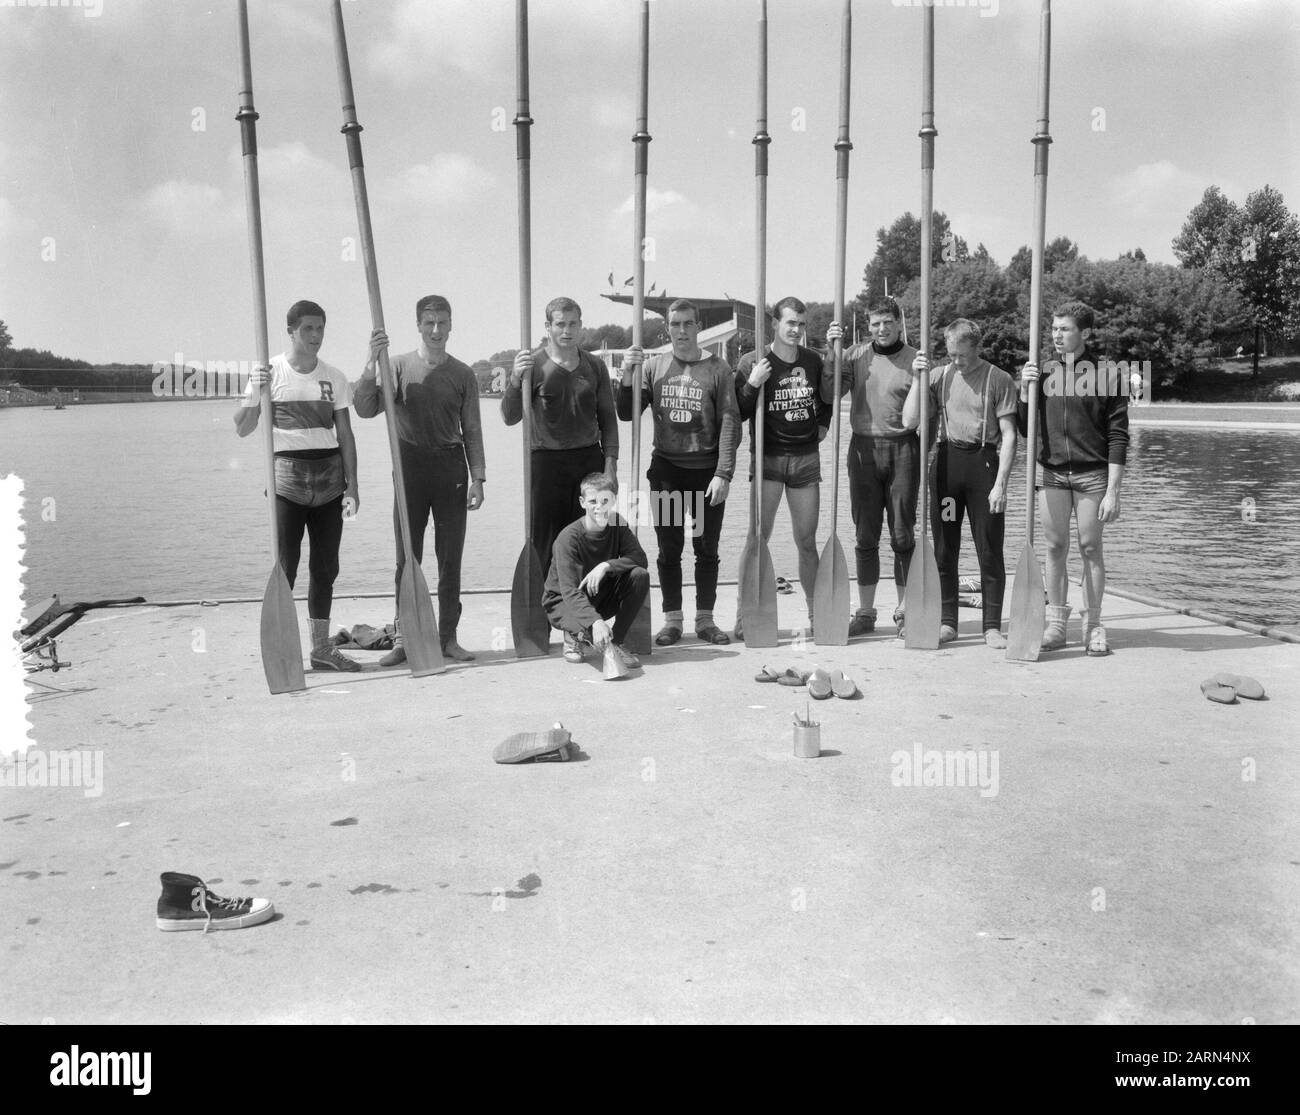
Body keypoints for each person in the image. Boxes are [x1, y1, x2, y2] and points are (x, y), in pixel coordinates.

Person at [354, 295, 485, 664]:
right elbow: (364, 409)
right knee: (406, 559)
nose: (436, 330)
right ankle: (404, 639)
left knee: (450, 560)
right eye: (429, 323)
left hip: (451, 469)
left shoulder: (463, 374)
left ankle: (448, 638)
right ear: (418, 325)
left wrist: (478, 478)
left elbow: (472, 429)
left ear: (451, 324)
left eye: (442, 322)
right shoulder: (394, 366)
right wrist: (369, 365)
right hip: (409, 467)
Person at [235, 299, 360, 671]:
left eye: (320, 328)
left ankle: (321, 650)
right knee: (286, 567)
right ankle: (279, 647)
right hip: (286, 482)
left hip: (329, 483)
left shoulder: (334, 377)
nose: (315, 336)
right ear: (290, 331)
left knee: (326, 569)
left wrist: (353, 486)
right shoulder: (267, 372)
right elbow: (242, 428)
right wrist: (256, 395)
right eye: (307, 328)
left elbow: (346, 434)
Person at [617, 299, 740, 646]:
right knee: (669, 549)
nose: (682, 331)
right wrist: (628, 375)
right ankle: (672, 620)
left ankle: (705, 620)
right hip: (668, 472)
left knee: (706, 549)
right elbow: (627, 413)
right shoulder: (654, 366)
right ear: (667, 328)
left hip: (706, 475)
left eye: (688, 324)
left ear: (698, 326)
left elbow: (730, 422)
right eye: (675, 324)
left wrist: (724, 473)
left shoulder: (718, 369)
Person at [1018, 300, 1129, 655]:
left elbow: (1118, 435)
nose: (1056, 335)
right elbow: (1026, 428)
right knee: (1054, 547)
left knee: (1090, 547)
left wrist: (1114, 491)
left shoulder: (1108, 373)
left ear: (1085, 332)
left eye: (1065, 329)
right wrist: (1024, 391)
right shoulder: (1044, 372)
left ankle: (1094, 626)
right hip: (1051, 473)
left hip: (1092, 476)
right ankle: (1056, 624)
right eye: (1053, 328)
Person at [903, 319, 1018, 647]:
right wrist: (917, 377)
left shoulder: (999, 379)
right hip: (948, 468)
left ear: (976, 348)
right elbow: (911, 420)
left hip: (983, 467)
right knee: (945, 548)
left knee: (989, 548)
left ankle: (991, 626)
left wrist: (1001, 485)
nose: (956, 361)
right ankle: (947, 620)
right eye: (951, 354)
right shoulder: (938, 377)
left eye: (962, 356)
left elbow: (1010, 436)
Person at [503, 297, 619, 583]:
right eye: (560, 324)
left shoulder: (594, 366)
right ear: (548, 327)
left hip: (588, 461)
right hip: (546, 462)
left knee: (590, 538)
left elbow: (608, 420)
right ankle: (544, 614)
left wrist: (610, 466)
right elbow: (509, 416)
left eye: (573, 324)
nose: (567, 331)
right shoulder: (532, 365)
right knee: (545, 543)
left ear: (581, 326)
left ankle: (582, 618)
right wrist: (516, 381)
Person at [734, 296, 832, 636]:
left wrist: (823, 426)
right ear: (775, 322)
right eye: (790, 323)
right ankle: (745, 614)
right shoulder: (753, 360)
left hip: (805, 460)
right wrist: (753, 383)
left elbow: (826, 399)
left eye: (802, 324)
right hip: (768, 458)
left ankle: (817, 615)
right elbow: (739, 411)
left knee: (807, 540)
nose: (796, 330)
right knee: (757, 537)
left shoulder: (813, 360)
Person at [825, 297, 920, 638]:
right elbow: (828, 393)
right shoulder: (854, 354)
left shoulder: (915, 359)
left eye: (888, 322)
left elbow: (926, 413)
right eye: (876, 323)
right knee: (866, 535)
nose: (882, 329)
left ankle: (904, 612)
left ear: (898, 322)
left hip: (903, 449)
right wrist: (832, 352)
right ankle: (865, 613)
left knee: (902, 534)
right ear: (869, 325)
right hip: (863, 448)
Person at [542, 472, 650, 672]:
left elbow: (640, 559)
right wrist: (597, 622)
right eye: (593, 501)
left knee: (639, 575)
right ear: (582, 502)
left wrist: (606, 566)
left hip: (598, 593)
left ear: (613, 500)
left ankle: (616, 641)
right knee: (590, 632)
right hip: (563, 601)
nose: (599, 507)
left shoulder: (617, 524)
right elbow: (569, 591)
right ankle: (573, 635)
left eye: (605, 501)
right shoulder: (568, 538)